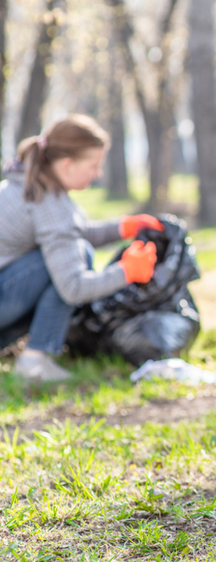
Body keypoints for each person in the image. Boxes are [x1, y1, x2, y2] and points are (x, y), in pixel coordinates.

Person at [0, 114, 162, 382]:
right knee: (80, 254)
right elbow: (73, 288)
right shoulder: (47, 201)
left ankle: (31, 356)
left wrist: (122, 227)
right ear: (67, 164)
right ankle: (34, 362)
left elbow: (66, 234)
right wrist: (127, 271)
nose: (97, 173)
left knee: (75, 249)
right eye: (94, 165)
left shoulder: (28, 182)